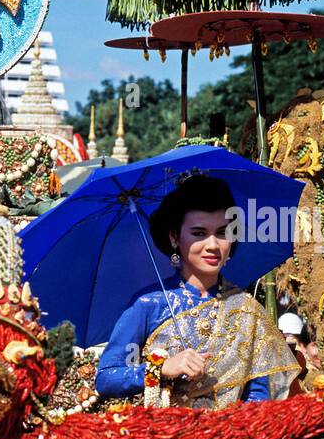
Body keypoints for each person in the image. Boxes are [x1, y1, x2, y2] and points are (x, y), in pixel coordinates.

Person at [95, 174, 299, 409]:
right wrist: (160, 369)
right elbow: (107, 377)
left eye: (222, 233)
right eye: (199, 233)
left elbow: (261, 394)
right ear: (174, 237)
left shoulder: (247, 309)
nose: (213, 245)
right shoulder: (149, 305)